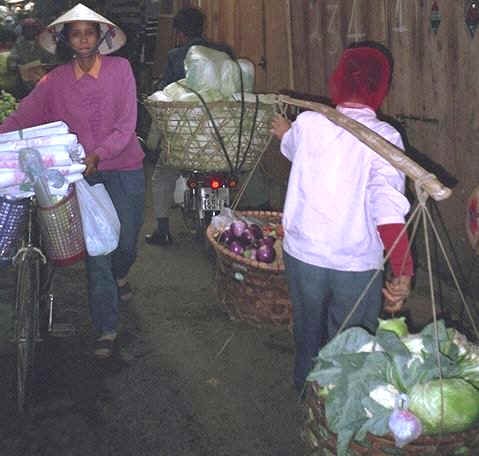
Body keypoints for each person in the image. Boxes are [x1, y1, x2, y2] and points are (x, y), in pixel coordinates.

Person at [0, 3, 145, 359]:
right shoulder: (56, 81)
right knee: (99, 250)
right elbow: (24, 115)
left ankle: (120, 274)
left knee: (125, 245)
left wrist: (98, 154)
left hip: (123, 167)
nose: (83, 39)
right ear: (66, 39)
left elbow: (126, 125)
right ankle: (107, 328)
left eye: (89, 32)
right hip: (81, 176)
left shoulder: (120, 69)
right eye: (75, 33)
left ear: (101, 37)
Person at [270, 42, 414, 394]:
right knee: (349, 348)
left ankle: (307, 400)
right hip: (355, 265)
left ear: (338, 79)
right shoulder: (386, 139)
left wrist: (284, 132)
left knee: (307, 333)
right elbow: (387, 209)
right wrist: (403, 268)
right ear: (382, 86)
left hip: (304, 256)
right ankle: (335, 415)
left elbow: (293, 148)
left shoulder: (309, 123)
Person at [145, 6, 233, 246]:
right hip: (221, 132)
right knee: (219, 172)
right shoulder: (224, 51)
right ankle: (217, 225)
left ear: (179, 32)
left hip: (187, 134)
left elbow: (168, 93)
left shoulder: (176, 56)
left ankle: (162, 230)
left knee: (163, 174)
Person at [7, 18, 56, 97]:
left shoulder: (42, 42)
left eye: (32, 28)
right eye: (27, 29)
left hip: (42, 79)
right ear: (23, 31)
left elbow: (51, 58)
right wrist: (16, 66)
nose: (30, 31)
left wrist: (47, 65)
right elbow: (11, 60)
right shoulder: (19, 44)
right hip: (25, 83)